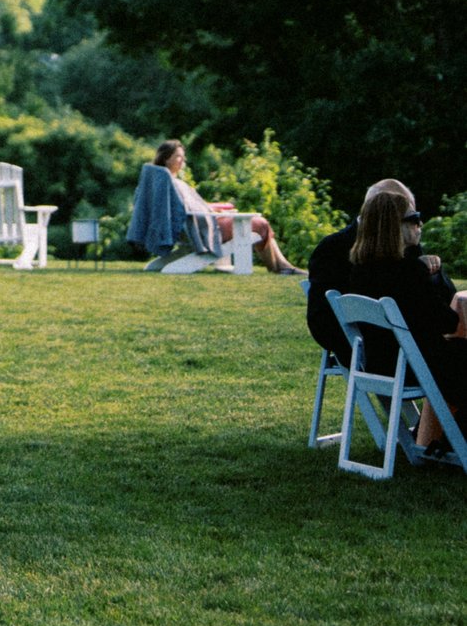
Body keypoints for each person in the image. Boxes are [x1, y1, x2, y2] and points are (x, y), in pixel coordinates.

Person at [306, 179, 467, 453]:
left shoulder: (360, 271)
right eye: (414, 219)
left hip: (383, 359)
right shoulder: (405, 271)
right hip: (406, 362)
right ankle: (448, 439)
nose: (420, 225)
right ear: (394, 224)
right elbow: (447, 320)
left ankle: (437, 438)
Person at [130, 139, 296, 272]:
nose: (183, 161)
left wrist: (216, 207)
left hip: (191, 227)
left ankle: (282, 265)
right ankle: (278, 267)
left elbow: (185, 207)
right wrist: (211, 209)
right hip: (201, 230)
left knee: (256, 224)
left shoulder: (162, 184)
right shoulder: (172, 183)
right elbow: (187, 209)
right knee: (260, 224)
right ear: (167, 159)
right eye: (179, 157)